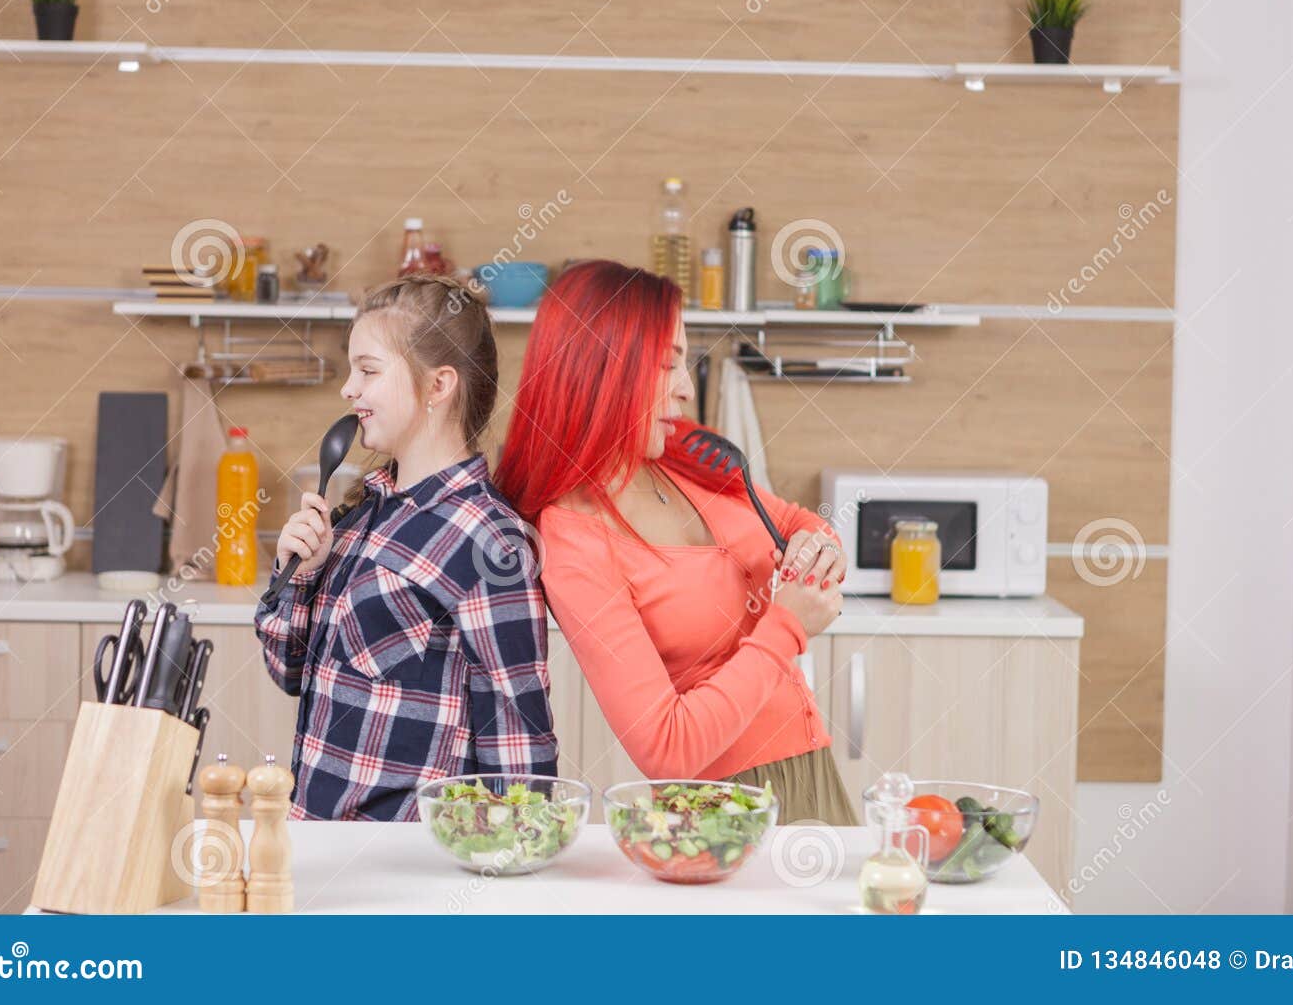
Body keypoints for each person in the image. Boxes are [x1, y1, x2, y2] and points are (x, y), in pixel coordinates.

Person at [495, 260, 856, 825]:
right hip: (723, 813)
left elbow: (796, 521)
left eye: (683, 361)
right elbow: (665, 746)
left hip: (812, 771)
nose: (686, 388)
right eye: (667, 365)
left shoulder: (684, 456)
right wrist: (788, 623)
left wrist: (820, 548)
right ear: (601, 372)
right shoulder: (573, 539)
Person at [255, 275, 557, 820]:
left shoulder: (490, 542)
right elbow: (288, 672)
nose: (348, 389)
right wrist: (297, 573)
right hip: (320, 846)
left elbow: (519, 747)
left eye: (368, 371)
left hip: (406, 870)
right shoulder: (361, 514)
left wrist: (511, 873)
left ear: (439, 386)